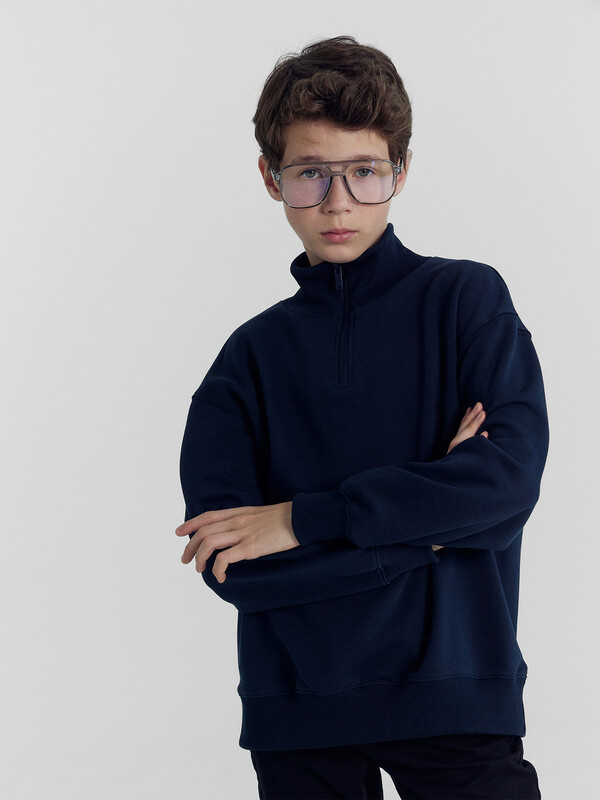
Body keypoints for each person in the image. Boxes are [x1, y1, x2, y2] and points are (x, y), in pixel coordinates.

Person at [176, 36, 548, 800]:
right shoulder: (247, 360)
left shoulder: (466, 303)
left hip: (456, 694)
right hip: (298, 716)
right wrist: (427, 537)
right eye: (310, 173)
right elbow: (232, 565)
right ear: (271, 178)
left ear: (401, 171)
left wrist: (299, 520)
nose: (338, 201)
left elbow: (507, 483)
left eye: (365, 171)